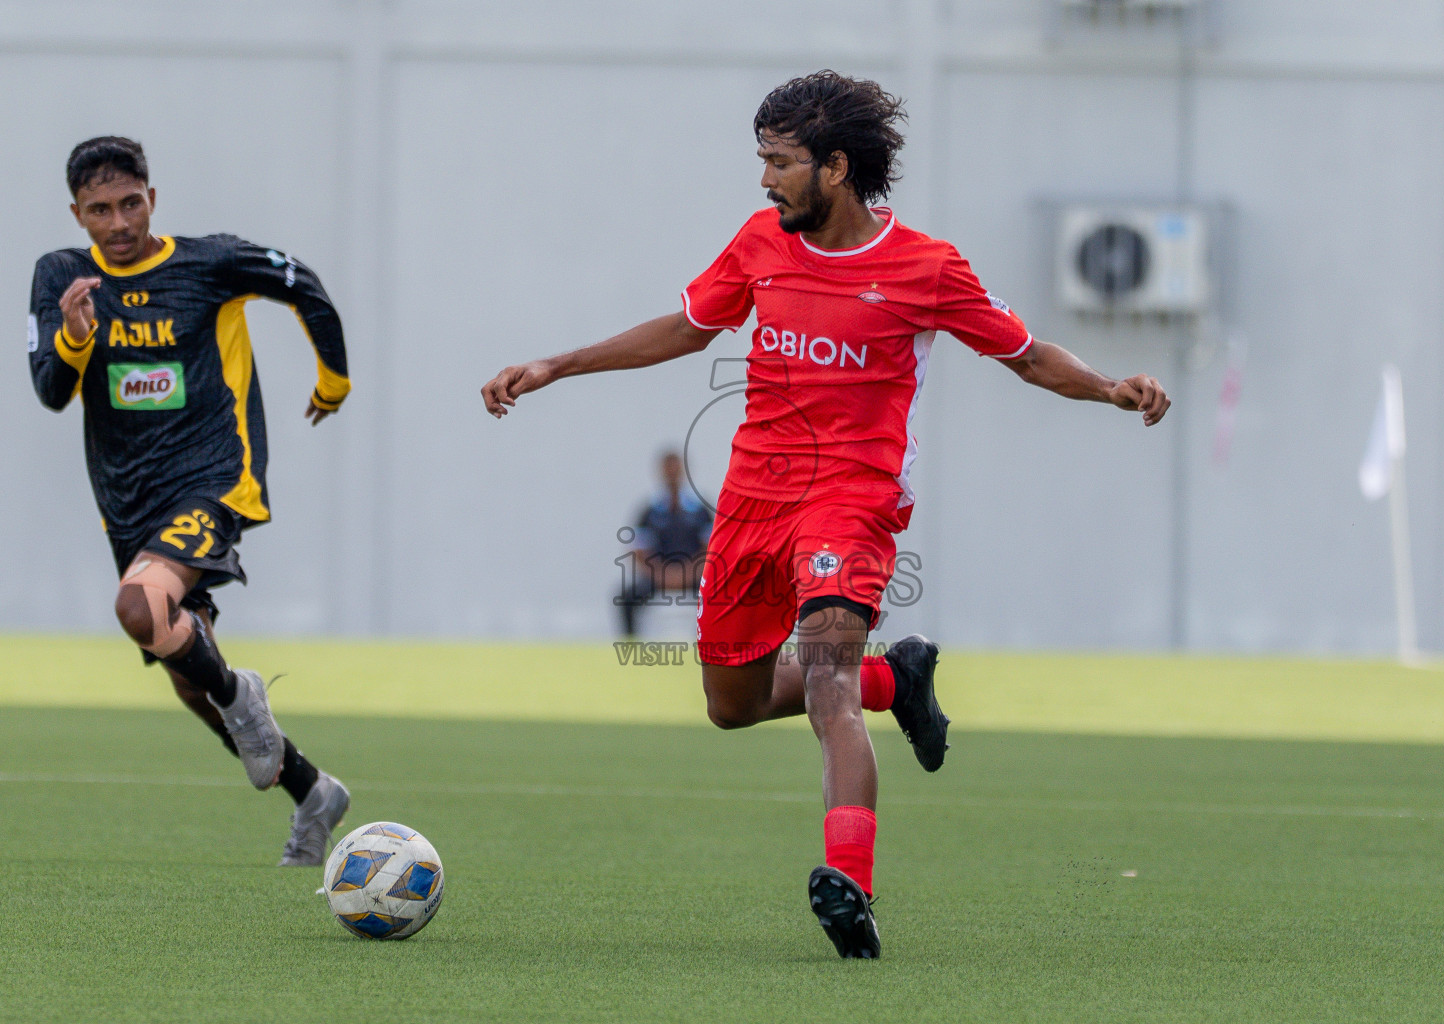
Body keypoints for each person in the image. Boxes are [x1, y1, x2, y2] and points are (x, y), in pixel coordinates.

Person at [481, 71, 1169, 959]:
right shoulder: (761, 242)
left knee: (828, 682)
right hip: (752, 505)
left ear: (836, 167)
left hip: (852, 502)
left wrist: (1112, 386)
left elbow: (1029, 356)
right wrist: (555, 364)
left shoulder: (927, 267)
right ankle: (902, 679)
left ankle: (851, 888)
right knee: (730, 706)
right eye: (762, 161)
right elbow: (689, 328)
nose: (765, 180)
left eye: (780, 162)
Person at [28, 137, 355, 867]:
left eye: (130, 204)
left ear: (153, 197)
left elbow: (303, 283)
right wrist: (76, 337)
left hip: (215, 475)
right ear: (77, 214)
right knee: (184, 676)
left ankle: (244, 694)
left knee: (138, 610)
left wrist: (333, 380)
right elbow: (50, 390)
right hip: (129, 500)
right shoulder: (62, 276)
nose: (118, 222)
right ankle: (312, 792)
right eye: (100, 210)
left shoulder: (209, 262)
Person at [615, 450, 713, 636]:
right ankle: (629, 646)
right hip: (657, 576)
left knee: (721, 595)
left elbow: (709, 550)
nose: (672, 473)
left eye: (675, 468)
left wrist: (686, 574)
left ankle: (716, 649)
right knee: (626, 597)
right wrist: (662, 576)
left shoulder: (700, 510)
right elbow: (639, 552)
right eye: (668, 468)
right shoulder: (648, 511)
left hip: (694, 574)